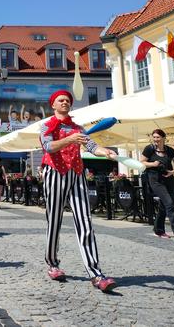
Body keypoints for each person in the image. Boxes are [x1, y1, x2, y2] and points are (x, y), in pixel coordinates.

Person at [40, 89, 117, 292]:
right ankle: (52, 263)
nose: (65, 102)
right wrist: (70, 139)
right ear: (53, 105)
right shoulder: (46, 126)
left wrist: (105, 152)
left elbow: (91, 146)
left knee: (85, 222)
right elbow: (49, 147)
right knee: (54, 219)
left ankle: (95, 273)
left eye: (68, 100)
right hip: (55, 172)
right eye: (61, 100)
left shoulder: (78, 128)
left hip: (76, 174)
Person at [140, 130, 174, 242]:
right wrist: (153, 164)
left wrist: (172, 172)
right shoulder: (149, 149)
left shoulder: (170, 150)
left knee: (164, 205)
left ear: (164, 138)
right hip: (155, 179)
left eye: (158, 137)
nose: (155, 139)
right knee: (169, 204)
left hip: (168, 179)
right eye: (154, 137)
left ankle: (158, 230)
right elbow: (142, 162)